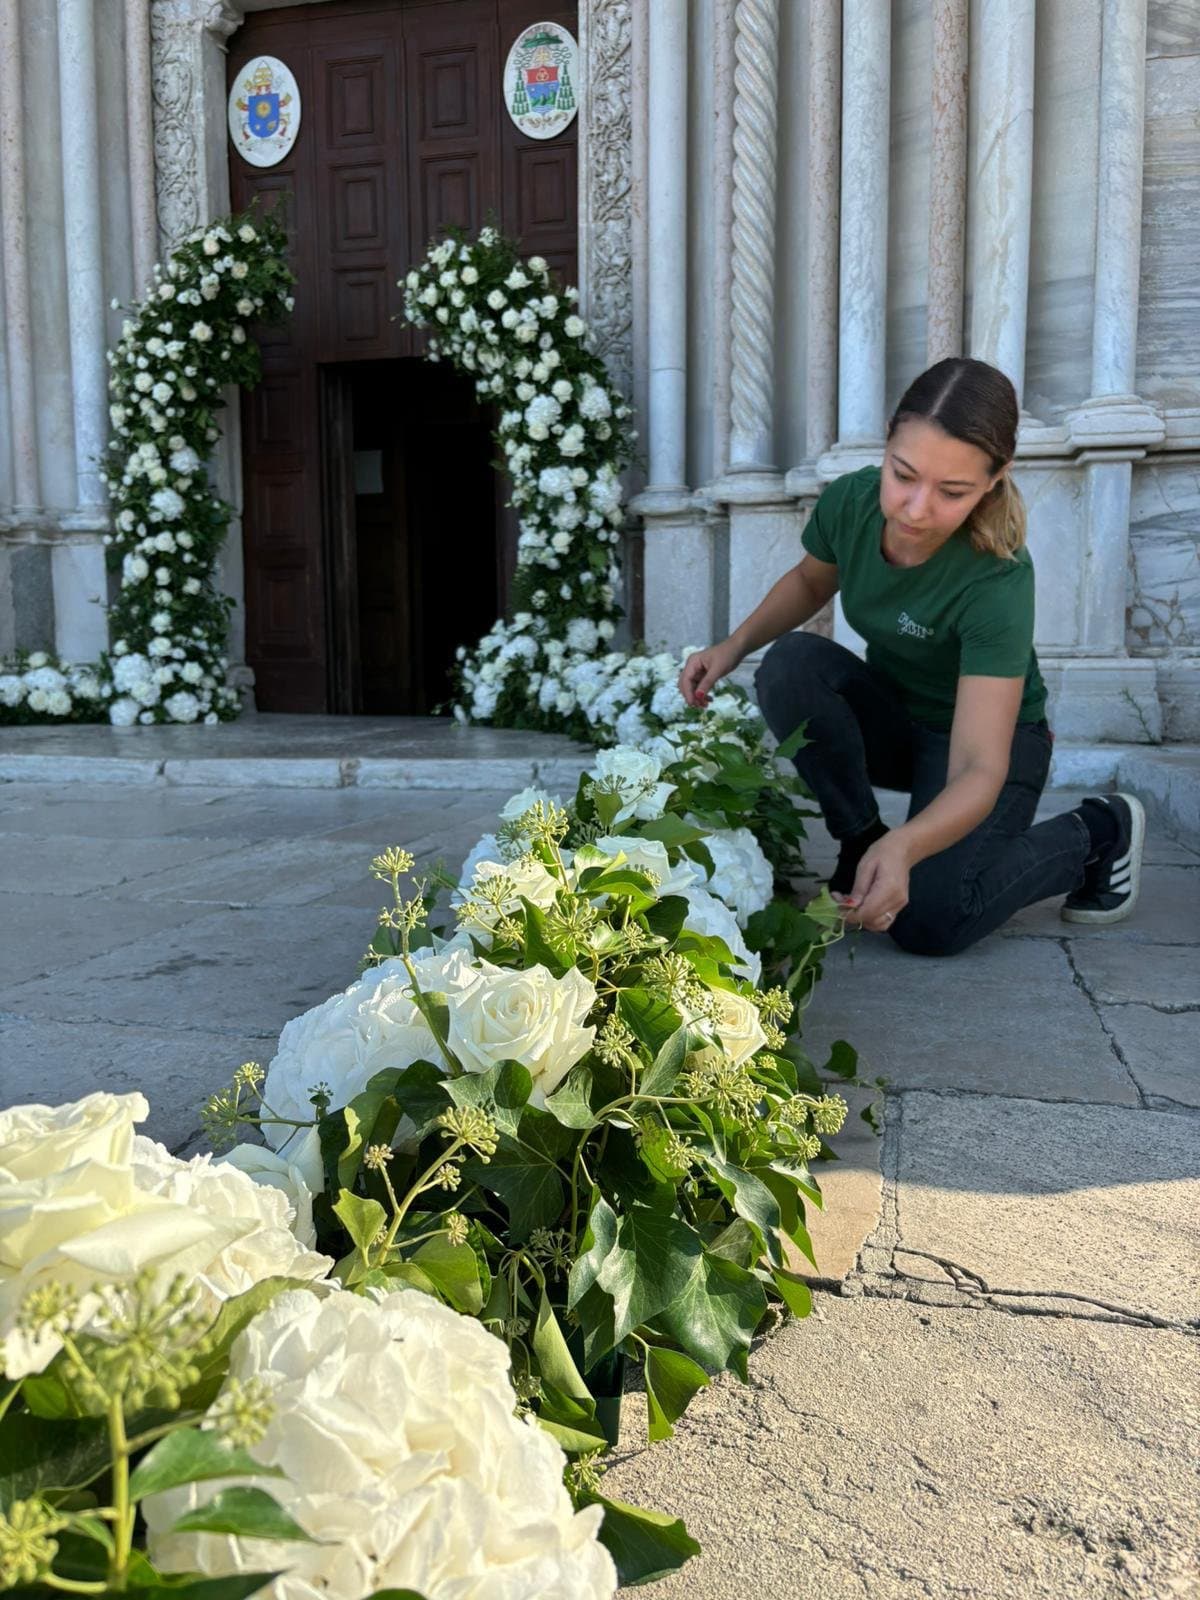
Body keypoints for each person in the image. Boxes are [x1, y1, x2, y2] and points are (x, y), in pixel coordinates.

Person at [677, 357, 1144, 956]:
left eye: (952, 492)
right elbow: (811, 583)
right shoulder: (850, 503)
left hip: (991, 747)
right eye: (903, 475)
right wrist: (733, 645)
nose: (916, 509)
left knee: (932, 921)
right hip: (900, 722)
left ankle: (1098, 831)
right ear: (888, 441)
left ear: (995, 479)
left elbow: (978, 767)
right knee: (791, 665)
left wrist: (907, 848)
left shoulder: (996, 579)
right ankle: (860, 838)